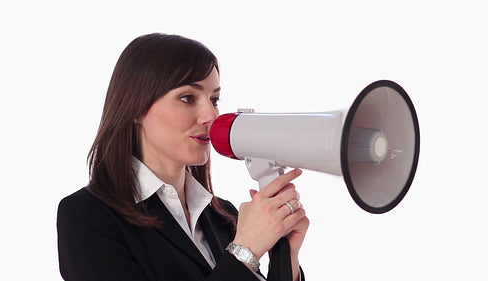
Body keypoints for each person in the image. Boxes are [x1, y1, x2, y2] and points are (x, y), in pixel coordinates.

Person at [57, 33, 309, 281]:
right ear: (135, 108)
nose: (211, 117)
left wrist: (285, 258)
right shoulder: (87, 216)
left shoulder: (223, 217)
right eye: (188, 98)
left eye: (214, 99)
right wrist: (245, 251)